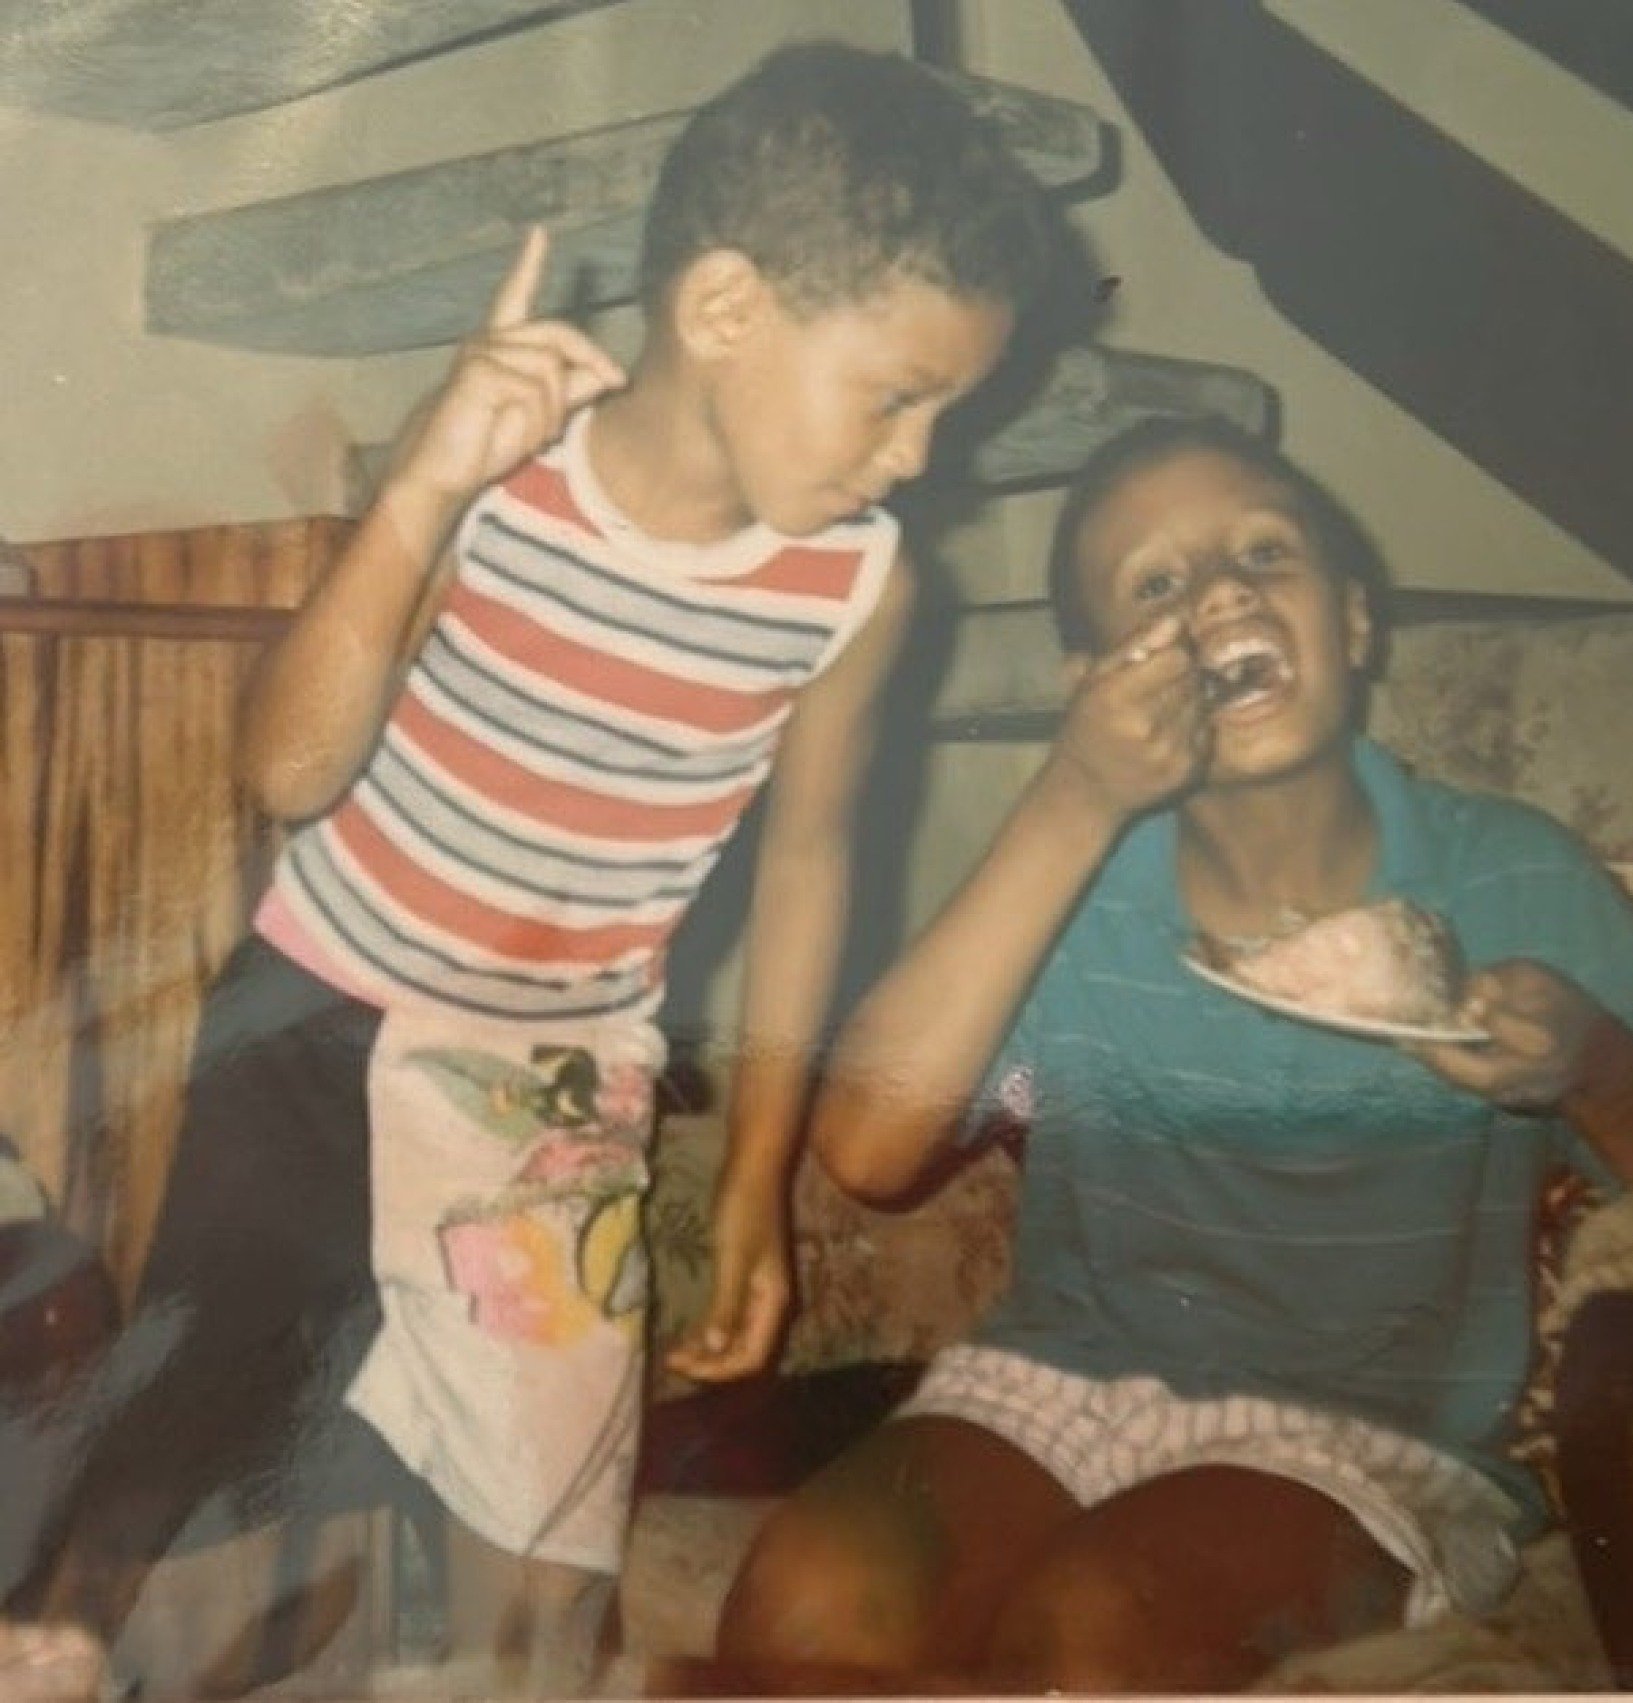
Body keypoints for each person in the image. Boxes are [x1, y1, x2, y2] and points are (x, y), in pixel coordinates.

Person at [14, 41, 1052, 1688]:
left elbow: (806, 871)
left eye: (946, 412)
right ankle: (53, 1632)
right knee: (198, 1382)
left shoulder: (856, 588)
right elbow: (285, 770)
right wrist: (425, 482)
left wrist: (760, 1181)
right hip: (314, 1007)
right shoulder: (496, 474)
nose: (921, 456)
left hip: (553, 1076)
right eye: (897, 396)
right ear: (725, 309)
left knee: (551, 1558)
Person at [715, 414, 1633, 1694]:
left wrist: (1598, 1068)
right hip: (1053, 1387)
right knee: (809, 1603)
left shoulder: (1508, 875)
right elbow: (867, 1151)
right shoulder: (1070, 884)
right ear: (1092, 680)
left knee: (1100, 1623)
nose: (1218, 593)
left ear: (1353, 620)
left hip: (1366, 1438)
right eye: (1155, 584)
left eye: (1264, 553)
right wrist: (1072, 798)